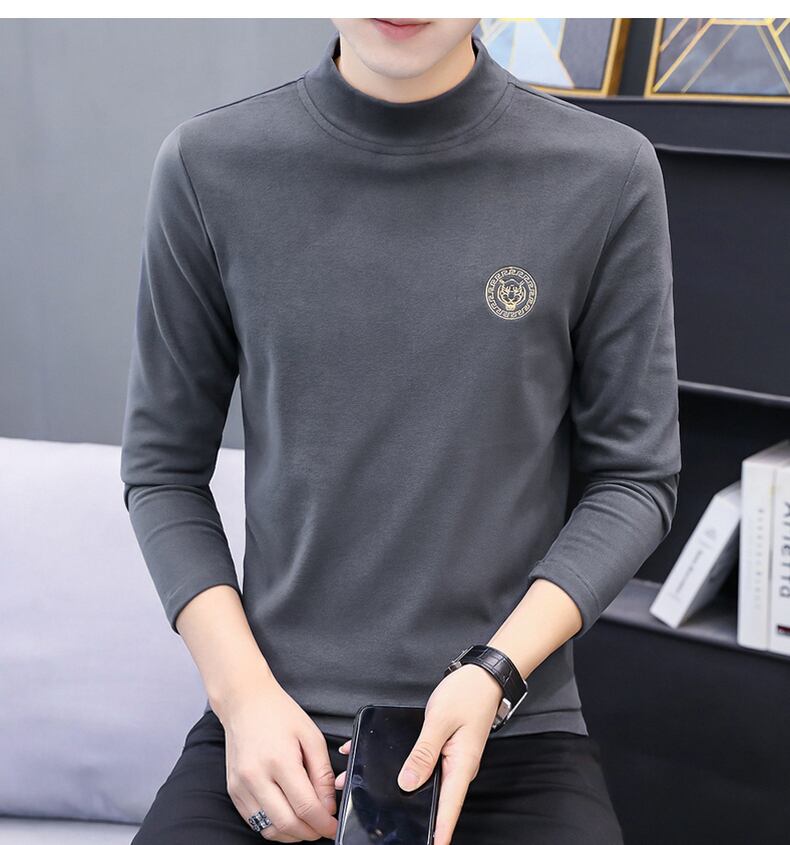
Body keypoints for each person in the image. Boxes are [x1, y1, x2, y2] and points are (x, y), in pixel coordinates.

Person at [121, 17, 681, 845]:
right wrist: (242, 698)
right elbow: (163, 470)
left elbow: (636, 478)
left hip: (510, 728)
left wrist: (495, 671)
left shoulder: (606, 173)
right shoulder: (210, 166)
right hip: (279, 724)